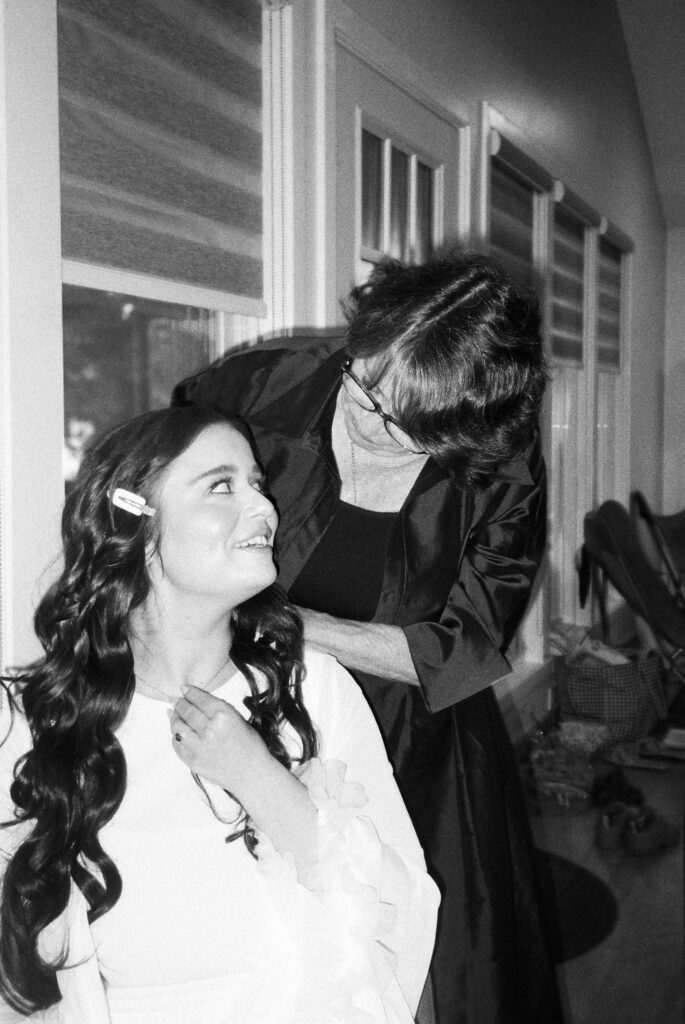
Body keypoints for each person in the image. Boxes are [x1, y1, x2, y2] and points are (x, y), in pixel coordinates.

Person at [173, 249, 564, 1024]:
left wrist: (293, 626)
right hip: (242, 714)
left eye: (393, 422)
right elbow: (162, 500)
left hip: (414, 741)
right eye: (360, 377)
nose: (355, 412)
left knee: (427, 968)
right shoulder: (261, 385)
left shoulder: (498, 464)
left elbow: (465, 645)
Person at [0, 405, 439, 1024]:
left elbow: (403, 913)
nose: (265, 510)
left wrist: (260, 779)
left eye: (257, 484)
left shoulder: (317, 691)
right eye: (221, 486)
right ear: (135, 523)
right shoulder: (32, 721)